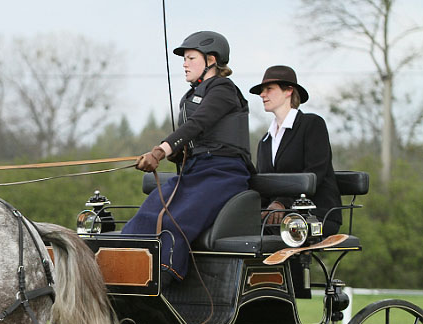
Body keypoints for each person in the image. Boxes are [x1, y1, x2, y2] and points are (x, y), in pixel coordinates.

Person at [122, 31, 252, 288]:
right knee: (146, 216)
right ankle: (124, 277)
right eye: (184, 59)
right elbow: (193, 139)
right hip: (194, 172)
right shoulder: (190, 97)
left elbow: (197, 124)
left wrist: (160, 151)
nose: (184, 63)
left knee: (173, 222)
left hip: (224, 173)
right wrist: (179, 155)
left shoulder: (223, 89)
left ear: (211, 60)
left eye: (190, 57)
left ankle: (161, 279)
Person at [250, 65, 342, 235]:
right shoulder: (265, 141)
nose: (263, 94)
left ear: (288, 91)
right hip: (279, 217)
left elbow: (315, 173)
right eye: (262, 91)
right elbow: (263, 185)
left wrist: (282, 203)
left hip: (315, 214)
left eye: (269, 89)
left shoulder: (312, 125)